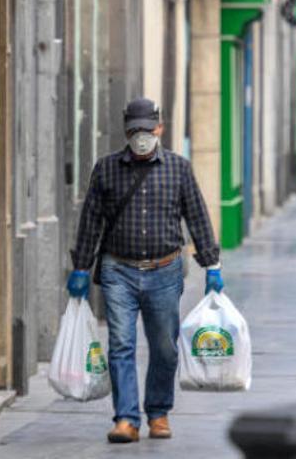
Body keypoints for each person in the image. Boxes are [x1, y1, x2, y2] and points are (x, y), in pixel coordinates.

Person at [66, 97, 223, 444]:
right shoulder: (106, 169)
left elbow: (196, 215)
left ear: (160, 129)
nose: (141, 136)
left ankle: (158, 413)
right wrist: (81, 267)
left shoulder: (178, 169)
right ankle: (125, 418)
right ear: (126, 130)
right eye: (135, 130)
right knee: (121, 343)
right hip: (117, 269)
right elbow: (91, 219)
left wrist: (212, 263)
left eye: (147, 129)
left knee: (164, 347)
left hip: (165, 271)